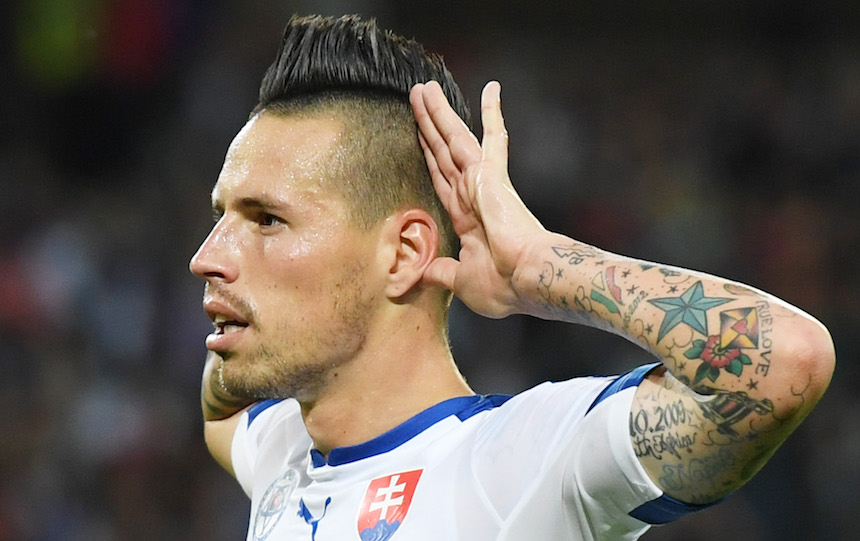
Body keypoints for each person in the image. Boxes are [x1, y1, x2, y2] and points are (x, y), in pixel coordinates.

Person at [189, 14, 835, 541]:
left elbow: (787, 360)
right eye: (223, 217)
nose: (207, 256)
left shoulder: (521, 463)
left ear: (405, 252)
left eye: (268, 219)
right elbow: (225, 402)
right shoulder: (281, 452)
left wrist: (543, 265)